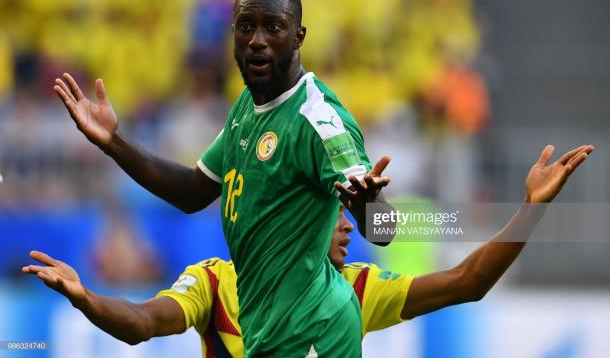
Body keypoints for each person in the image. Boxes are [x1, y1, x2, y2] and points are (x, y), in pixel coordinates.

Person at [52, 0, 391, 357]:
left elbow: (386, 230)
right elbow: (194, 191)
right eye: (246, 27)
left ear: (299, 37)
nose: (257, 40)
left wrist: (368, 202)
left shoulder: (319, 120)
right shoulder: (247, 108)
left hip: (316, 333)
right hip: (270, 333)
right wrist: (113, 143)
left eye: (273, 27)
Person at [24, 143, 593, 357]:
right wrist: (85, 298)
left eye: (350, 218)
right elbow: (144, 323)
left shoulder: (358, 288)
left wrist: (532, 207)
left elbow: (469, 281)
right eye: (333, 219)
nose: (349, 229)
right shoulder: (215, 282)